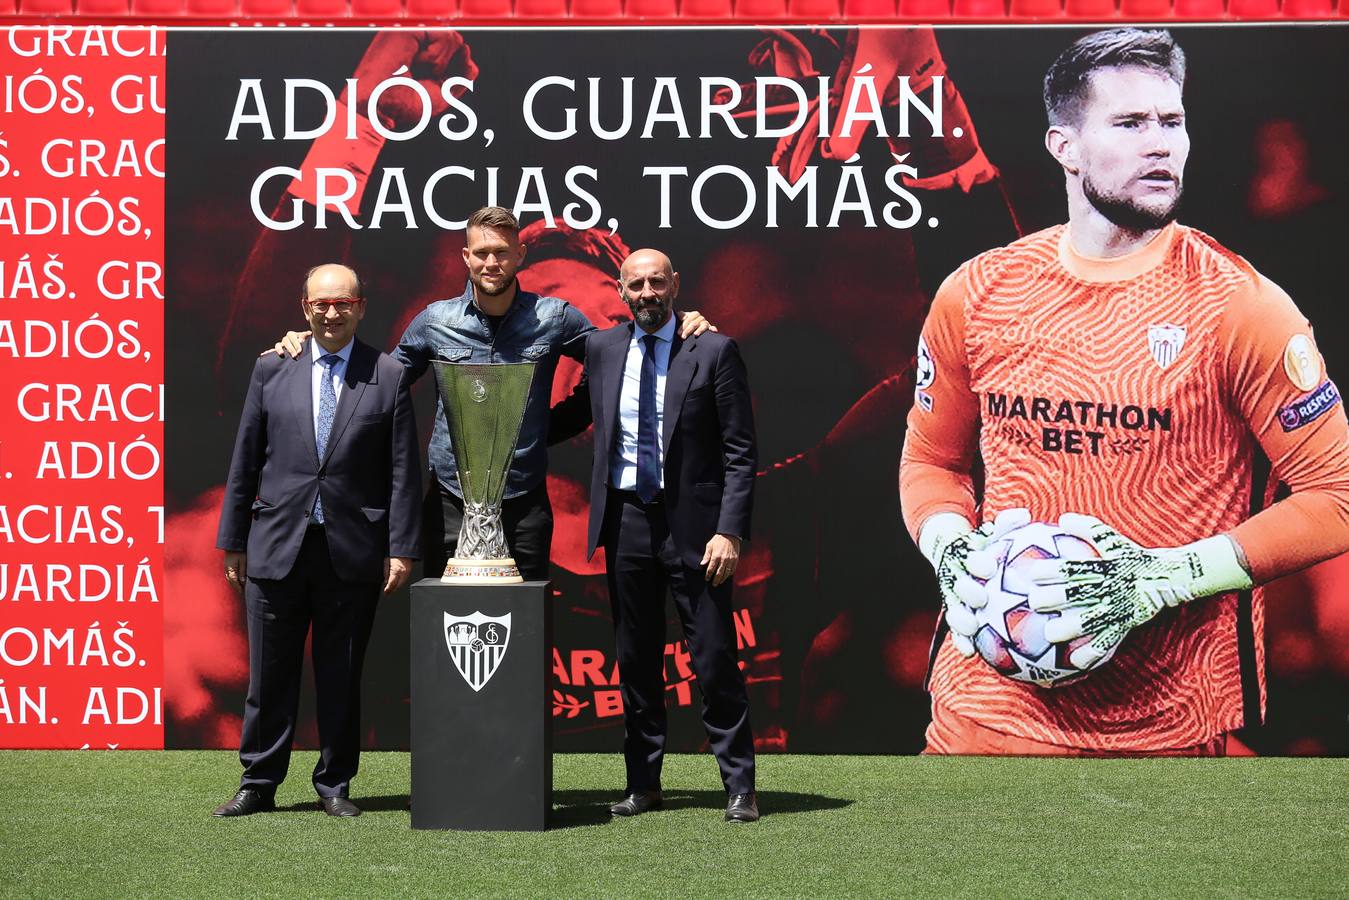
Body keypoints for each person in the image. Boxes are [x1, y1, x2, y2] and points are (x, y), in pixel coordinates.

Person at [900, 28, 1349, 755]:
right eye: (1130, 123)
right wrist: (951, 549)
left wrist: (1163, 579)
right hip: (978, 724)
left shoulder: (1243, 308)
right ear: (1064, 148)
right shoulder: (977, 293)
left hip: (1168, 738)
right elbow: (931, 463)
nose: (1160, 144)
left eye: (1171, 122)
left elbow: (1337, 496)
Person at [275, 207, 713, 582]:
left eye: (502, 252)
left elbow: (621, 358)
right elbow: (377, 381)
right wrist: (315, 343)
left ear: (517, 255)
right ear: (466, 257)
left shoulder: (554, 317)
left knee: (524, 634)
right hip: (449, 501)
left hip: (525, 503)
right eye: (482, 253)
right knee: (449, 636)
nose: (492, 263)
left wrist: (684, 330)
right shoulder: (434, 321)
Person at [551, 249, 759, 821]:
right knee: (635, 661)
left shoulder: (713, 350)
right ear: (622, 292)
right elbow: (568, 416)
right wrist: (491, 423)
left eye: (656, 282)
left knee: (713, 657)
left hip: (695, 528)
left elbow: (741, 455)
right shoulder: (600, 349)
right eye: (636, 284)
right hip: (626, 522)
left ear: (675, 286)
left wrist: (730, 532)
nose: (647, 292)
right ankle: (644, 784)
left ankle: (739, 786)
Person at [213, 264, 420, 816]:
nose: (332, 313)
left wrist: (401, 547)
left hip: (352, 549)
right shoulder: (271, 368)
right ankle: (258, 782)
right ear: (304, 307)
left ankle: (334, 784)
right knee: (270, 674)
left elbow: (403, 470)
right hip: (276, 543)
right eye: (322, 303)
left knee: (342, 673)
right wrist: (233, 538)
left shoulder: (390, 373)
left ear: (361, 306)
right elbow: (245, 459)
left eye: (343, 302)